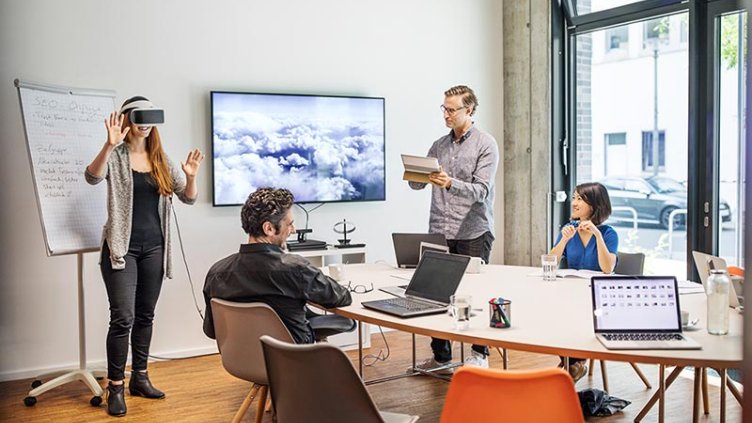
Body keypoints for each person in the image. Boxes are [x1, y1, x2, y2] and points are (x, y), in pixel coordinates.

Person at [85, 96, 204, 417]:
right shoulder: (118, 155)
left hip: (155, 249)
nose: (147, 121)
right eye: (141, 115)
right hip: (121, 249)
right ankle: (115, 386)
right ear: (128, 119)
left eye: (152, 115)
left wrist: (191, 176)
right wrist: (109, 145)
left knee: (145, 315)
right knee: (122, 317)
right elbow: (92, 177)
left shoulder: (160, 158)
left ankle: (140, 377)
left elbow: (188, 198)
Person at [408, 85, 499, 372]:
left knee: (475, 292)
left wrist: (450, 183)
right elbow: (417, 183)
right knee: (434, 292)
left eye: (452, 109)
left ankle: (479, 354)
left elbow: (482, 191)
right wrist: (415, 173)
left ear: (469, 110)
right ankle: (441, 357)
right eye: (444, 109)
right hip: (440, 228)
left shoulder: (486, 144)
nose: (446, 114)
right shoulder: (439, 145)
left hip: (473, 230)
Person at [202, 187, 352, 345]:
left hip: (241, 359)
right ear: (269, 228)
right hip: (293, 359)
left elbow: (212, 331)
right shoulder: (295, 268)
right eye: (290, 224)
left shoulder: (216, 273)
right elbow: (341, 297)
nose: (293, 230)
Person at [549, 181, 618, 381]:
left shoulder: (608, 234)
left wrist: (597, 235)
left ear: (595, 205)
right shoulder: (569, 229)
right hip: (573, 295)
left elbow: (608, 268)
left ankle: (572, 365)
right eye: (574, 198)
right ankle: (575, 365)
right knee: (554, 314)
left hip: (598, 300)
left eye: (580, 199)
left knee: (572, 315)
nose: (574, 203)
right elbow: (550, 263)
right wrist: (563, 241)